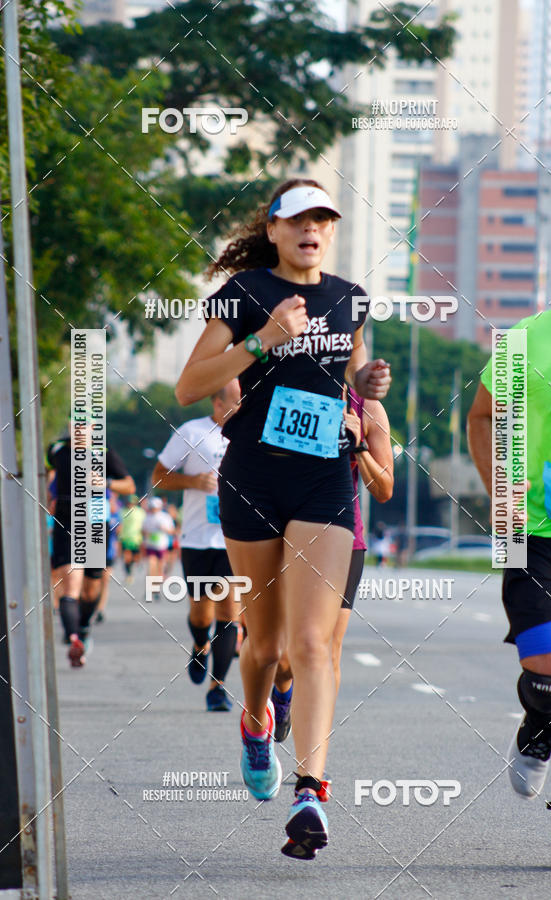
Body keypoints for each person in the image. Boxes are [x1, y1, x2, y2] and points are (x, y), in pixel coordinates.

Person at [175, 178, 390, 860]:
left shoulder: (351, 298)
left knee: (314, 643)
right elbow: (191, 385)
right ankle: (254, 720)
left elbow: (347, 378)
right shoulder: (242, 296)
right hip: (255, 477)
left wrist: (366, 386)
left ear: (332, 230)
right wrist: (265, 339)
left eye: (323, 219)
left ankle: (311, 791)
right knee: (262, 647)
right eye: (298, 219)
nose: (312, 229)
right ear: (272, 229)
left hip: (325, 474)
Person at [467, 211, 551, 870]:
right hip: (543, 536)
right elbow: (484, 415)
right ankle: (539, 729)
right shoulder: (529, 340)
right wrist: (498, 489)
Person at [271, 387, 394, 741]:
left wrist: (359, 447)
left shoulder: (367, 407)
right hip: (289, 534)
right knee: (284, 658)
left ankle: (313, 758)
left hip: (344, 539)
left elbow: (384, 488)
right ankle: (282, 695)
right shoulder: (288, 392)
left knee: (327, 650)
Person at [151, 380, 243, 712]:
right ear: (217, 403)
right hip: (195, 538)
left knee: (228, 611)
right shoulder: (191, 432)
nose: (241, 405)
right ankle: (200, 644)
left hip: (234, 539)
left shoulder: (250, 431)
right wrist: (193, 481)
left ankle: (218, 688)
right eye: (236, 400)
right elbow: (158, 476)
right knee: (201, 611)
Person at [48, 425, 135, 667]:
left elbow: (129, 486)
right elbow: (45, 475)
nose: (79, 431)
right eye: (74, 424)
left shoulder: (104, 453)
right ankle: (74, 638)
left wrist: (105, 482)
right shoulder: (56, 451)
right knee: (70, 582)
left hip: (95, 520)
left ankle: (83, 627)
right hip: (66, 520)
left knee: (90, 589)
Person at [95, 493, 121, 623]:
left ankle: (100, 609)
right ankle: (91, 605)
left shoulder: (116, 516)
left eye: (114, 500)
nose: (112, 503)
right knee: (95, 581)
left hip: (109, 552)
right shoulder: (96, 511)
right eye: (110, 500)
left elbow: (118, 532)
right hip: (95, 552)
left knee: (105, 580)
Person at [142, 497, 174, 582]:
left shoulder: (165, 517)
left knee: (159, 570)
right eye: (152, 507)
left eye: (155, 507)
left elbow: (172, 531)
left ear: (160, 507)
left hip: (162, 546)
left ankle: (155, 588)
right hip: (150, 545)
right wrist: (146, 534)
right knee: (151, 566)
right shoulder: (147, 517)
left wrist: (164, 529)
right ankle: (151, 589)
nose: (153, 509)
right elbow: (142, 531)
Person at [119, 494, 146, 584]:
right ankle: (129, 574)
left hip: (137, 538)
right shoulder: (123, 511)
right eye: (129, 502)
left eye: (132, 502)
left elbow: (144, 525)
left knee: (135, 558)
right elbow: (120, 524)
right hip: (125, 537)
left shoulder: (140, 512)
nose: (130, 504)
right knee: (127, 557)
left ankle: (132, 566)